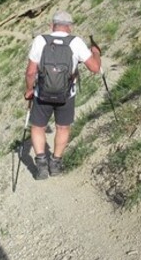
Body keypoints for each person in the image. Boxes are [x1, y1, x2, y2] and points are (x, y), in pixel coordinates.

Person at [24, 10, 101, 180]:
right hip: (66, 95)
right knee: (63, 127)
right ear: (70, 27)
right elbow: (95, 68)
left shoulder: (40, 40)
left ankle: (41, 164)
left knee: (38, 127)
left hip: (42, 93)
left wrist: (29, 90)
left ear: (51, 26)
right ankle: (56, 163)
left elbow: (30, 72)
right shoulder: (76, 42)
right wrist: (95, 52)